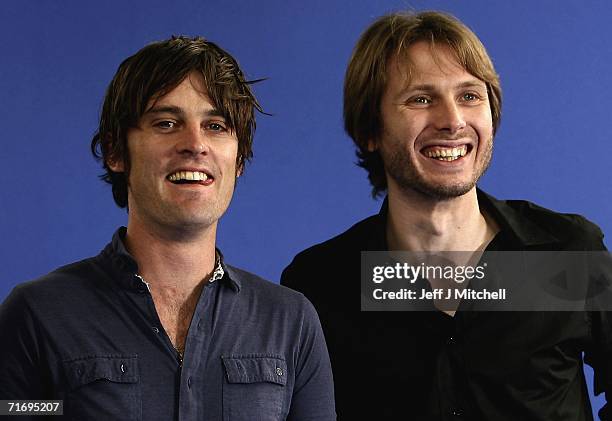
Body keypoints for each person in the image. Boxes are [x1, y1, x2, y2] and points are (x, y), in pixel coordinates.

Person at [281, 11, 610, 421]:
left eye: (470, 96)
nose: (453, 121)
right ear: (370, 130)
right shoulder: (320, 284)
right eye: (421, 99)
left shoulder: (567, 253)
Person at [0, 36, 335, 421]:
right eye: (166, 123)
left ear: (239, 159)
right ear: (115, 152)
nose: (195, 144)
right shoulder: (38, 316)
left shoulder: (290, 322)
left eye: (215, 125)